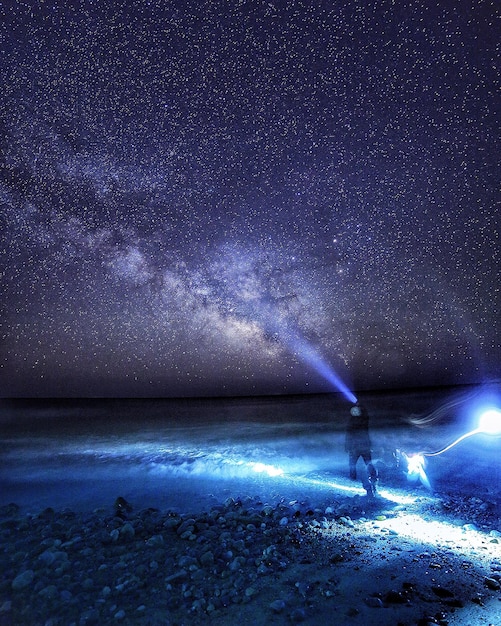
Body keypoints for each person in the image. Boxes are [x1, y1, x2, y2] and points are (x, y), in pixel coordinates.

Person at [345, 403, 378, 497]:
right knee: (354, 464)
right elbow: (348, 435)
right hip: (358, 447)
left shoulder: (363, 420)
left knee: (366, 463)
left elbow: (349, 434)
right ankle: (354, 479)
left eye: (357, 411)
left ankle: (372, 478)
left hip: (362, 446)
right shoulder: (353, 421)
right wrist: (347, 446)